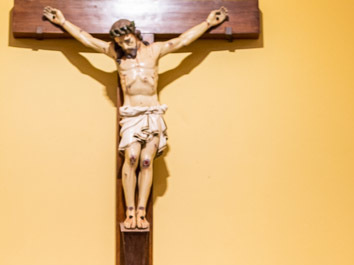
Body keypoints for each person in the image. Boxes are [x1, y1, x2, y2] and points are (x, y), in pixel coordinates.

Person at [42, 6, 229, 230]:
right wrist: (62, 23)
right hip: (131, 115)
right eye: (120, 41)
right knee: (131, 157)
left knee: (146, 160)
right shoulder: (117, 56)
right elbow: (88, 40)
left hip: (152, 113)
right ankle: (129, 211)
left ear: (134, 33)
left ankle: (141, 212)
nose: (124, 44)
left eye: (127, 38)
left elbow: (182, 41)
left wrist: (209, 23)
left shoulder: (154, 51)